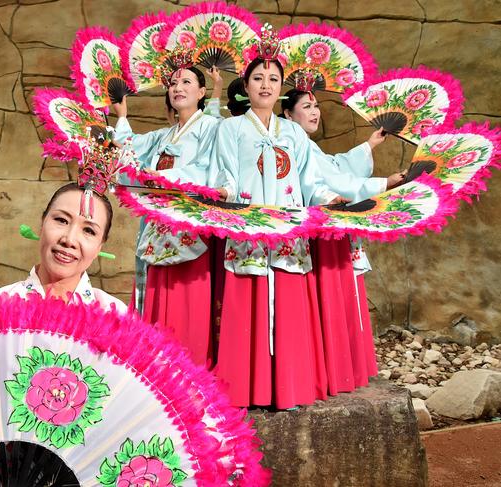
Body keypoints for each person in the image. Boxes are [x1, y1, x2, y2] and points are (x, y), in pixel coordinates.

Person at [211, 55, 348, 409]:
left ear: (280, 86)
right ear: (245, 85)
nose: (266, 85)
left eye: (273, 78)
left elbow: (309, 179)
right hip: (249, 229)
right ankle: (245, 391)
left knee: (289, 308)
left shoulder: (293, 132)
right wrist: (222, 192)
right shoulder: (230, 128)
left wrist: (327, 198)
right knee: (246, 306)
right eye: (258, 78)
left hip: (288, 231)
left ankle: (290, 389)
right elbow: (224, 174)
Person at [280, 89, 404, 392]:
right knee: (327, 300)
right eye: (306, 106)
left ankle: (339, 370)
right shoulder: (291, 145)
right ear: (287, 114)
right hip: (317, 226)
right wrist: (383, 183)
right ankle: (331, 372)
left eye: (317, 106)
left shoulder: (308, 147)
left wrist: (370, 144)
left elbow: (335, 168)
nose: (315, 112)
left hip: (327, 220)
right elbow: (324, 183)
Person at [112, 63, 220, 367]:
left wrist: (166, 177)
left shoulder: (212, 128)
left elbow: (209, 169)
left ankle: (188, 365)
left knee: (186, 297)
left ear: (201, 92)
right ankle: (152, 365)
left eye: (186, 82)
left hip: (188, 222)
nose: (177, 87)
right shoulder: (164, 135)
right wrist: (122, 117)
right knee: (155, 290)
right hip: (158, 223)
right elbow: (128, 151)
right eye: (173, 82)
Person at [0, 183, 126, 314]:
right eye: (62, 220)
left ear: (99, 247)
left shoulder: (117, 317)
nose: (69, 240)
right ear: (42, 224)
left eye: (89, 230)